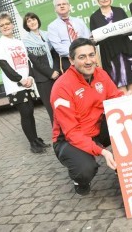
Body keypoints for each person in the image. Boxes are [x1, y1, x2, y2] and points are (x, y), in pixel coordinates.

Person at [51, 38, 123, 195]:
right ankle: (79, 180)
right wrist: (102, 151)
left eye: (91, 55)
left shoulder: (101, 74)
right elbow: (71, 132)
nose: (89, 61)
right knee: (86, 170)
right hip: (69, 139)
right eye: (82, 57)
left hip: (96, 129)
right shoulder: (61, 87)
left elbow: (116, 99)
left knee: (128, 121)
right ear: (71, 60)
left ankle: (128, 169)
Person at [0, 12, 50, 153]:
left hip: (27, 83)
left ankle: (36, 140)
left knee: (30, 112)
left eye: (7, 23)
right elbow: (5, 66)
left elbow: (28, 62)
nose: (5, 27)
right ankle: (33, 144)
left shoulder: (19, 42)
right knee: (26, 113)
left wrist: (30, 77)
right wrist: (20, 80)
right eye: (2, 25)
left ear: (12, 25)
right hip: (15, 86)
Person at [90, 0, 132, 94]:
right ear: (97, 0)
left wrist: (118, 30)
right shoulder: (94, 17)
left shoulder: (120, 11)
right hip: (110, 56)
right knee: (119, 84)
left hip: (126, 52)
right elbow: (95, 40)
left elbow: (130, 31)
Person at [23, 12, 60, 124]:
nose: (32, 22)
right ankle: (59, 138)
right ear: (26, 25)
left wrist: (56, 70)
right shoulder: (26, 41)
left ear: (38, 20)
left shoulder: (48, 35)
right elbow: (35, 61)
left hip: (57, 75)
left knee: (62, 105)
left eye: (33, 19)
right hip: (43, 79)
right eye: (29, 21)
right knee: (51, 109)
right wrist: (50, 73)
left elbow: (56, 54)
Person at [47, 0, 91, 72]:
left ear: (69, 6)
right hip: (68, 61)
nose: (62, 6)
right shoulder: (52, 27)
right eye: (59, 5)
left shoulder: (79, 21)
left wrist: (83, 53)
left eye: (64, 4)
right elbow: (58, 47)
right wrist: (77, 54)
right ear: (55, 9)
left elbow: (87, 39)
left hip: (86, 58)